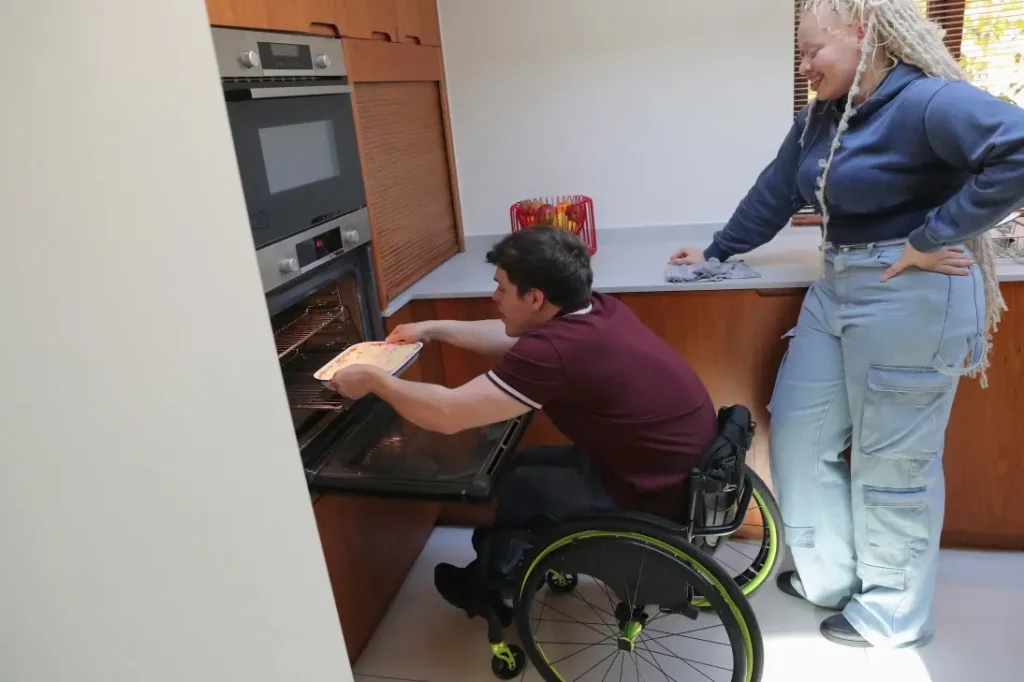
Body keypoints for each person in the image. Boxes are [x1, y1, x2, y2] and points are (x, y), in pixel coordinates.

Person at [669, 0, 1024, 649]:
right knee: (799, 435)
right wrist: (718, 250)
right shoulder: (818, 120)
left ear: (864, 36)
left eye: (813, 51)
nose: (804, 67)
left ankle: (893, 615)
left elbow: (1018, 150)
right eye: (800, 54)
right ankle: (833, 579)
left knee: (894, 463)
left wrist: (935, 233)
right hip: (837, 285)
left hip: (911, 289)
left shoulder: (926, 103)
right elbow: (776, 190)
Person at [330, 226, 718, 622]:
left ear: (535, 298)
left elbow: (447, 414)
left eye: (501, 288)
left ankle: (494, 587)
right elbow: (507, 334)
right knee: (517, 467)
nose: (494, 298)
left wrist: (374, 380)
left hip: (651, 492)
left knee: (516, 486)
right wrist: (431, 329)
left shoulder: (556, 351)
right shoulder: (595, 310)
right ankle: (508, 563)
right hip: (675, 467)